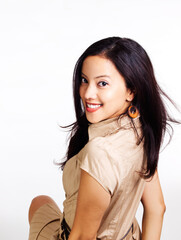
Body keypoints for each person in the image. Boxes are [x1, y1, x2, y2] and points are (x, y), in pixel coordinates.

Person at [28, 37, 179, 240]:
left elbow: (82, 236)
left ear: (131, 90)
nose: (88, 93)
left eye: (102, 83)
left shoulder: (99, 152)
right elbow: (156, 208)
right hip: (128, 235)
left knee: (38, 205)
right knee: (40, 202)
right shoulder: (140, 130)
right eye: (84, 80)